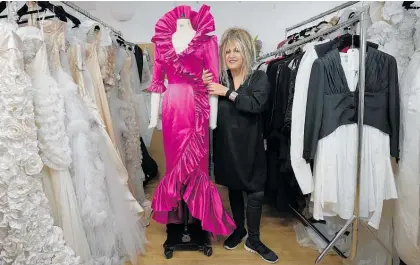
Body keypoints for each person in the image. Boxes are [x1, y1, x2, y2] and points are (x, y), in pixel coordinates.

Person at [203, 28, 278, 264]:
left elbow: (255, 105)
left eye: (236, 50)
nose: (231, 55)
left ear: (246, 52)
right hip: (226, 145)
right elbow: (205, 108)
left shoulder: (259, 77)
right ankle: (239, 230)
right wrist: (203, 85)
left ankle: (254, 239)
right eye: (227, 50)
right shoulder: (220, 77)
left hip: (251, 145)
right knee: (234, 189)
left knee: (255, 190)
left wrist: (228, 93)